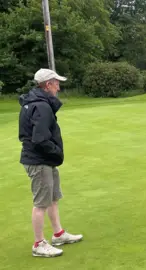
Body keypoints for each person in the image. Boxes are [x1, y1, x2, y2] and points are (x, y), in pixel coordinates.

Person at [18, 68, 83, 257]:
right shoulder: (43, 106)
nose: (59, 88)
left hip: (43, 159)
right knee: (41, 203)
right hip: (39, 161)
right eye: (56, 83)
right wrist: (57, 154)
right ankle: (38, 244)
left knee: (53, 198)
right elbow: (40, 139)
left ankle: (58, 234)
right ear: (48, 85)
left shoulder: (33, 102)